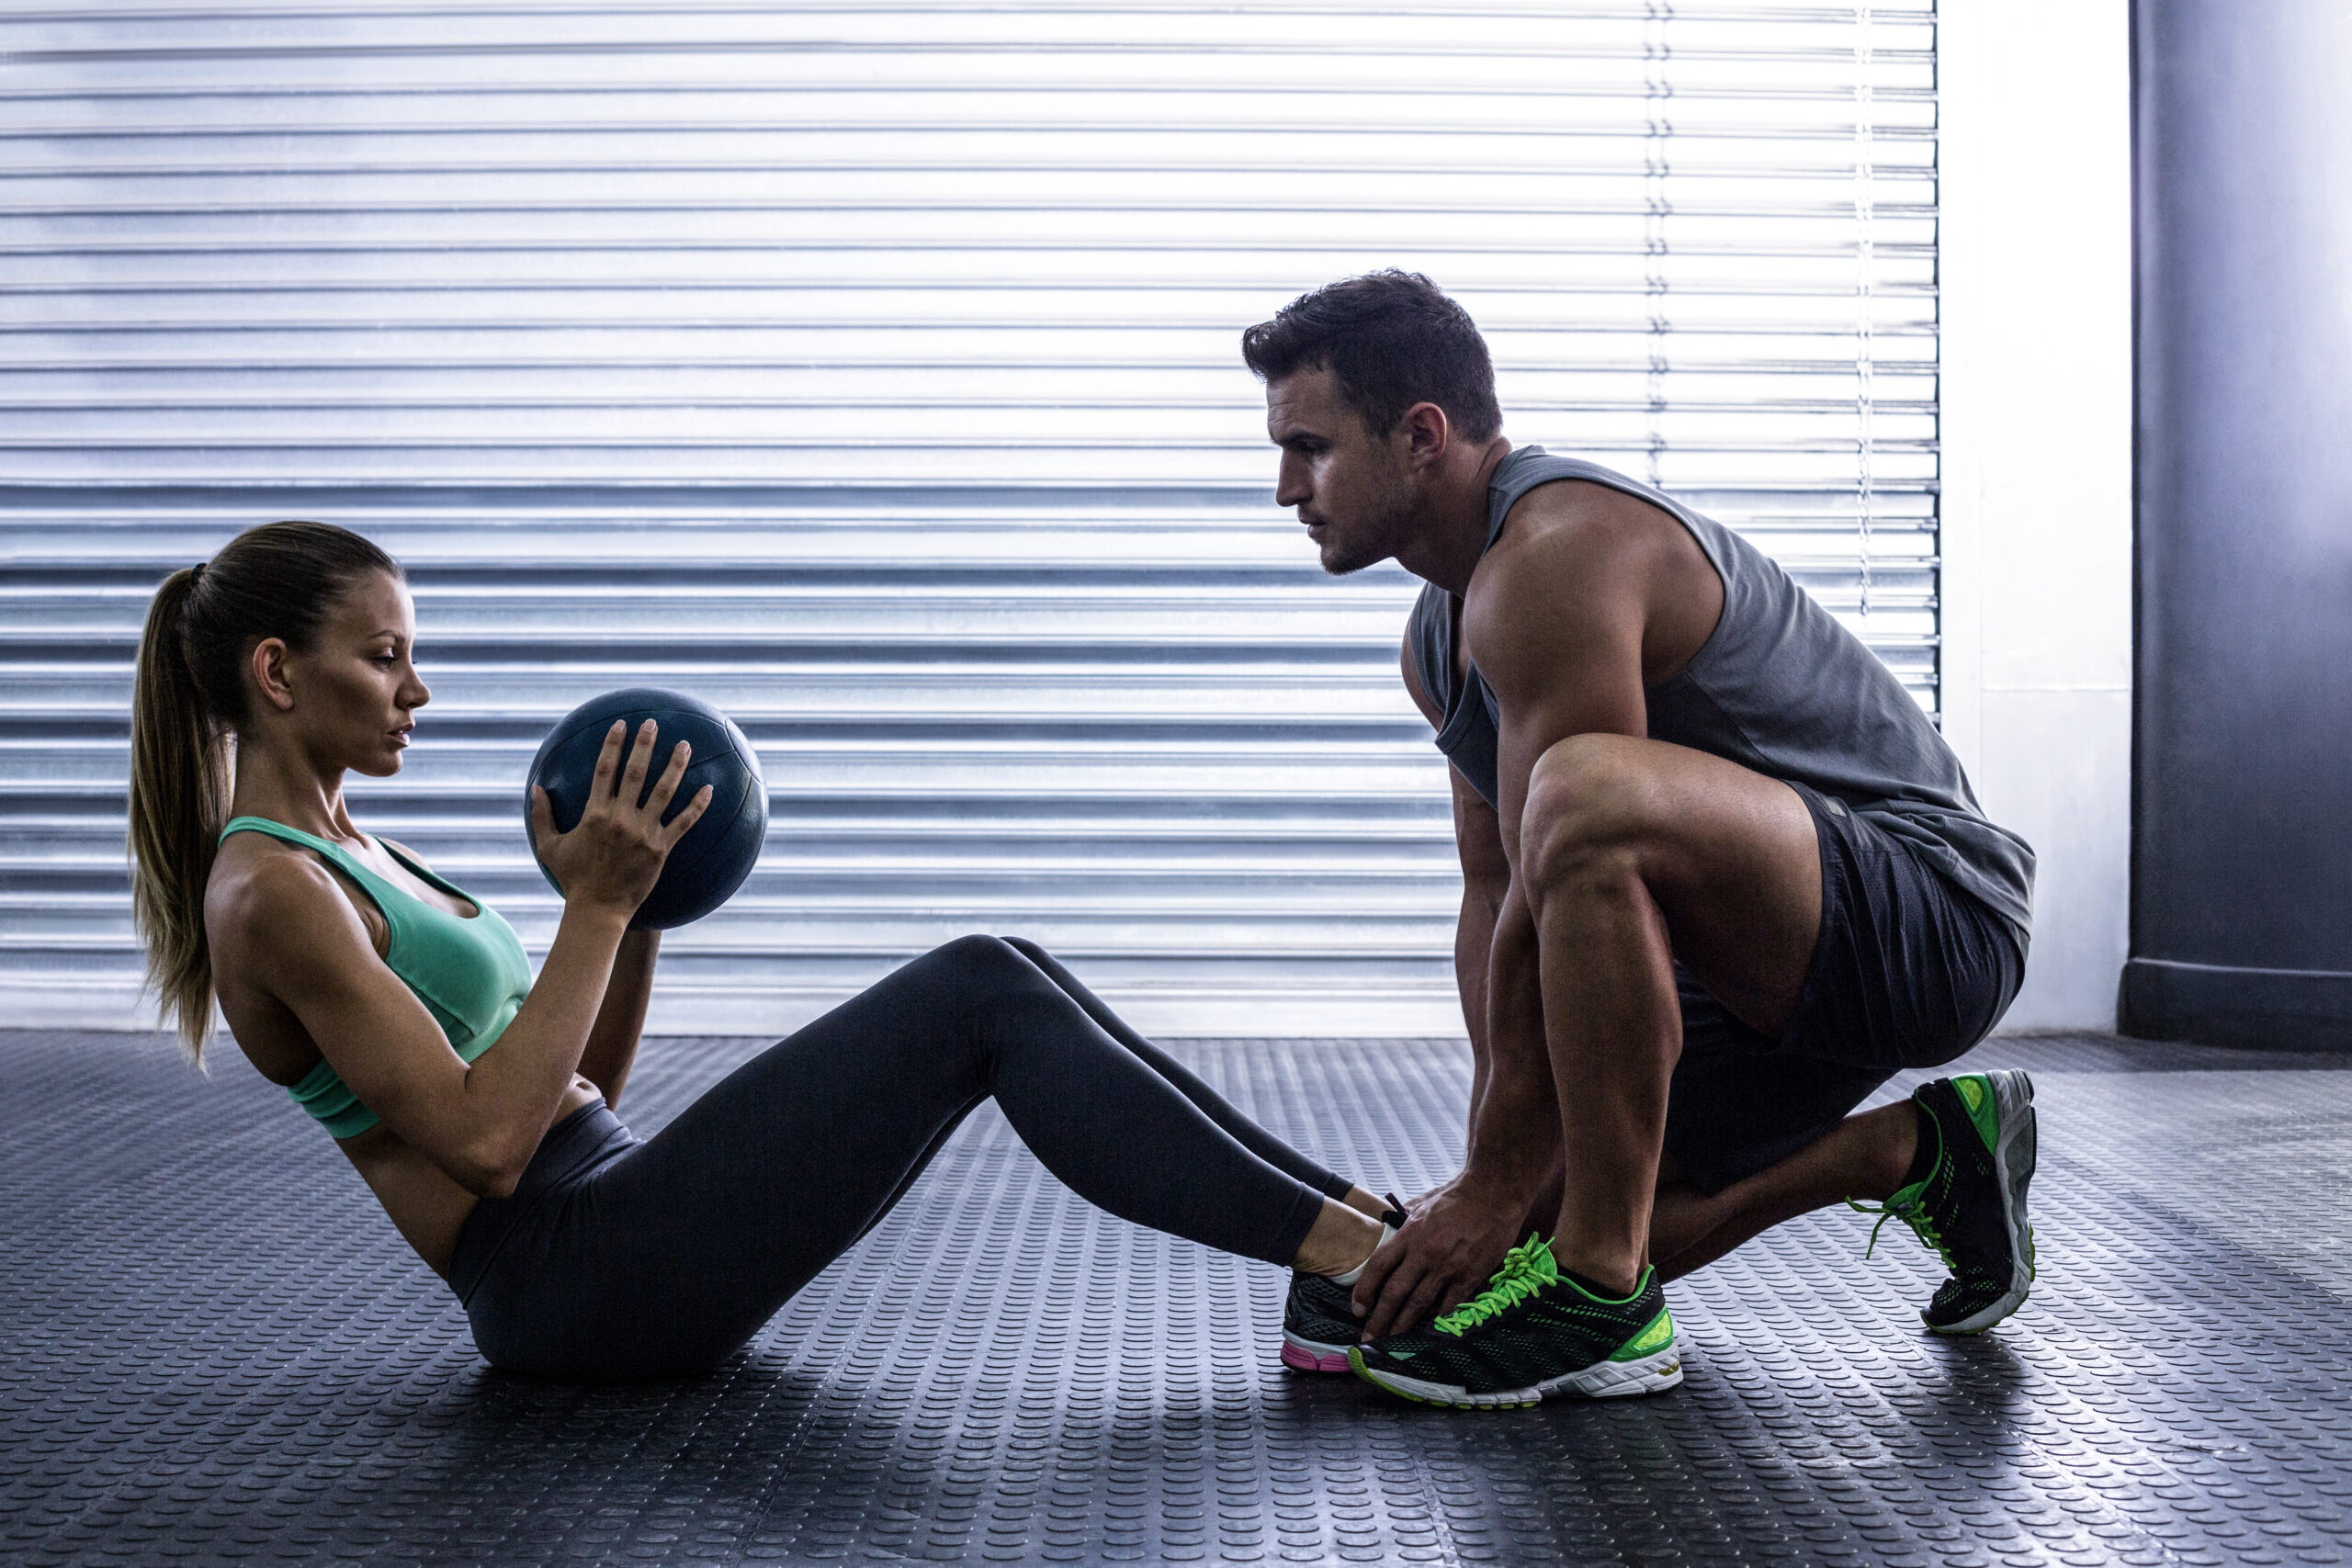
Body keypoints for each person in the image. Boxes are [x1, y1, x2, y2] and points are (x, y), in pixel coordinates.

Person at [128, 520, 1403, 1383]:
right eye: (387, 655)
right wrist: (595, 908)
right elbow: (484, 1142)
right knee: (978, 986)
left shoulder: (358, 850)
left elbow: (576, 1096)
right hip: (568, 1282)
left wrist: (640, 918)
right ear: (279, 672)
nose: (417, 691)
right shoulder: (269, 890)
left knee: (1002, 961)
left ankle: (1365, 1228)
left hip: (609, 1214)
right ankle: (1363, 1273)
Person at [1242, 273, 2040, 1410]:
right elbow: (1496, 898)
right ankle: (1921, 1150)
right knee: (1542, 1215)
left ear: (1420, 436)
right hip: (1751, 963)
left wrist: (1489, 1180)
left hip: (1929, 912)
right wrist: (1495, 1183)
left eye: (1309, 449)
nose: (1286, 491)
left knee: (1581, 794)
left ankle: (1603, 1298)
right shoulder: (1439, 641)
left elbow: (1574, 830)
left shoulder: (1556, 549)